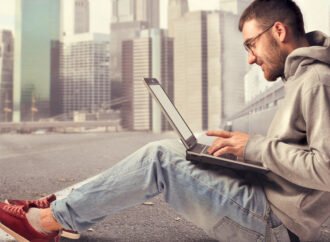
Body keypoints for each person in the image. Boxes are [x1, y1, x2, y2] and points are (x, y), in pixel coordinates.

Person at [1, 0, 330, 241]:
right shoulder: (302, 76)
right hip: (271, 204)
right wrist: (240, 155)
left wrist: (254, 147)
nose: (250, 57)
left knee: (157, 159)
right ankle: (59, 209)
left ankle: (44, 222)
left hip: (276, 224)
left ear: (279, 30)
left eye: (251, 44)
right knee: (180, 147)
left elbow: (326, 168)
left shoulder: (317, 81)